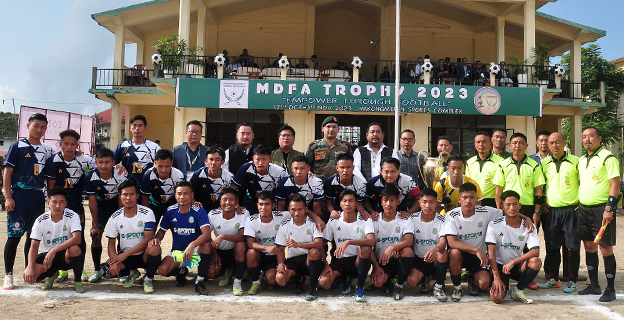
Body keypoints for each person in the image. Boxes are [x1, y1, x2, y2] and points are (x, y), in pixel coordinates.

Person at [444, 183, 531, 301]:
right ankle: (457, 287)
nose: (468, 201)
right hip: (462, 254)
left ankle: (471, 279)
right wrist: (476, 249)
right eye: (465, 197)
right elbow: (452, 243)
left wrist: (526, 218)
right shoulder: (452, 215)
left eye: (472, 197)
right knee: (454, 252)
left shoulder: (486, 212)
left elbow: (508, 211)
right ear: (459, 199)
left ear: (477, 199)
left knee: (484, 284)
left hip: (479, 258)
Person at [3, 113, 53, 289]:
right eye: (36, 126)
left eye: (43, 127)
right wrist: (8, 197)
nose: (39, 130)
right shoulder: (17, 147)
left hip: (37, 197)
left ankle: (29, 270)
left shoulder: (47, 150)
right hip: (19, 196)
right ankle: (8, 274)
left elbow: (54, 169)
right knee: (14, 237)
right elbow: (7, 173)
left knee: (33, 238)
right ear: (28, 126)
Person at [45, 129, 95, 282]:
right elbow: (51, 186)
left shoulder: (85, 160)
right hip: (60, 205)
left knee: (78, 238)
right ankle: (61, 270)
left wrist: (119, 167)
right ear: (60, 144)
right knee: (58, 236)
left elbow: (102, 167)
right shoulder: (53, 161)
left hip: (76, 205)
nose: (69, 147)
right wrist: (53, 205)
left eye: (73, 144)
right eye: (66, 144)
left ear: (77, 146)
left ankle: (80, 267)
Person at [576, 126, 620, 302]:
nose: (587, 139)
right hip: (584, 208)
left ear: (599, 138)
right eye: (584, 137)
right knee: (589, 247)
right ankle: (594, 285)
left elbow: (615, 184)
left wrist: (609, 209)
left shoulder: (607, 157)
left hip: (602, 209)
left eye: (591, 136)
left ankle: (610, 289)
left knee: (605, 248)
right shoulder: (581, 160)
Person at [149, 181, 213, 295]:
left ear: (192, 195)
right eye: (179, 194)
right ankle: (181, 271)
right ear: (175, 195)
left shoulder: (199, 210)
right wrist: (157, 239)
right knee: (163, 270)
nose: (182, 197)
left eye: (185, 193)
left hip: (195, 251)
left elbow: (207, 234)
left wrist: (192, 244)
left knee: (207, 246)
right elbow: (162, 231)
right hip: (178, 253)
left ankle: (199, 281)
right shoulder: (170, 211)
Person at [538, 132, 581, 293]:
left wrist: (581, 203)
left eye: (557, 142)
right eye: (551, 143)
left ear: (564, 143)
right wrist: (542, 203)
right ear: (547, 145)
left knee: (572, 247)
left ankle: (572, 280)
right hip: (552, 211)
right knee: (552, 246)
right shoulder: (544, 163)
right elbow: (540, 186)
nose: (554, 145)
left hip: (571, 210)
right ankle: (554, 279)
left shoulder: (576, 161)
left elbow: (584, 182)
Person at [23, 187, 84, 293]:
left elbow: (77, 239)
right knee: (30, 276)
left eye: (61, 202)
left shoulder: (72, 215)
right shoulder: (40, 220)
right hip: (48, 258)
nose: (57, 206)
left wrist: (54, 250)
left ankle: (78, 281)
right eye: (54, 202)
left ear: (66, 203)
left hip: (65, 255)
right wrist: (29, 266)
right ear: (48, 203)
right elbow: (34, 246)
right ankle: (51, 274)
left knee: (75, 249)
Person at [319, 190, 375, 302]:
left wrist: (349, 242)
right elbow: (322, 245)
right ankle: (346, 280)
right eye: (344, 201)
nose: (347, 204)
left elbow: (371, 242)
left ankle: (360, 287)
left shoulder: (365, 219)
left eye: (351, 201)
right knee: (324, 283)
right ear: (340, 204)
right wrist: (325, 265)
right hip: (340, 261)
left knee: (365, 248)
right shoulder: (334, 220)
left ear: (356, 203)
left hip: (357, 261)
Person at [487, 190, 541, 304]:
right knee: (497, 299)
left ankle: (517, 290)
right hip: (499, 266)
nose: (512, 207)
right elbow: (491, 254)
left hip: (516, 266)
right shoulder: (494, 225)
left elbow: (535, 251)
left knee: (536, 262)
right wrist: (496, 278)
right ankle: (498, 283)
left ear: (520, 206)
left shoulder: (529, 226)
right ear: (502, 207)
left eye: (515, 204)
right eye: (508, 205)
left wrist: (513, 262)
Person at [105, 180, 159, 293]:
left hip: (144, 255)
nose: (128, 198)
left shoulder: (147, 213)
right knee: (110, 269)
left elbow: (148, 238)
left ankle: (148, 279)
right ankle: (132, 273)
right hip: (127, 257)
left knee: (154, 248)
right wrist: (113, 262)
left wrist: (125, 255)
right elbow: (111, 243)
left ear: (137, 196)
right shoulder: (115, 217)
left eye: (132, 194)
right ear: (120, 196)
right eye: (125, 194)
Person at [83, 148, 128, 283]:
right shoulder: (90, 177)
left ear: (113, 162)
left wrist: (120, 220)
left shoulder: (120, 174)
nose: (103, 165)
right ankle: (97, 270)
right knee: (96, 236)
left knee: (121, 236)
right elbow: (92, 203)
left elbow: (122, 199)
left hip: (116, 206)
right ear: (96, 162)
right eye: (100, 162)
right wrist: (96, 225)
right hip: (100, 207)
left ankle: (122, 271)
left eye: (107, 162)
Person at [275, 194, 324, 301]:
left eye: (300, 209)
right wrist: (281, 263)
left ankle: (312, 288)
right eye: (293, 209)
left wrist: (297, 244)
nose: (296, 213)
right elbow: (280, 249)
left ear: (306, 209)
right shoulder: (284, 225)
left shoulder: (314, 224)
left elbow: (319, 244)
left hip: (310, 259)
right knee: (280, 279)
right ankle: (298, 279)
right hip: (294, 259)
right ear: (289, 210)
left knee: (314, 252)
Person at [369, 186, 414, 300]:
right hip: (382, 260)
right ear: (381, 202)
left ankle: (399, 286)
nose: (389, 203)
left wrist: (392, 248)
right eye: (385, 200)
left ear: (398, 202)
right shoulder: (374, 219)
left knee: (408, 251)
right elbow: (369, 245)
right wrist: (375, 266)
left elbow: (409, 240)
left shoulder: (404, 218)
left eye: (392, 200)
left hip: (398, 258)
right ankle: (387, 281)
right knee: (378, 283)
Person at [244, 191, 291, 295]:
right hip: (259, 255)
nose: (263, 207)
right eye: (261, 204)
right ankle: (256, 282)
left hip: (275, 256)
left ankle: (266, 277)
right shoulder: (251, 220)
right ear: (257, 205)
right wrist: (266, 248)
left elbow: (301, 212)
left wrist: (317, 220)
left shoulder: (282, 216)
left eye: (267, 204)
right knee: (251, 252)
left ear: (273, 205)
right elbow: (250, 243)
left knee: (272, 280)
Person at [494, 132, 545, 226]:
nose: (517, 146)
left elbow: (538, 191)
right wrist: (499, 209)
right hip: (509, 206)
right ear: (510, 145)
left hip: (528, 206)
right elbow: (498, 190)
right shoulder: (503, 165)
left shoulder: (534, 165)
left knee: (528, 236)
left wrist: (537, 211)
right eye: (515, 143)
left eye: (521, 143)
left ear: (526, 146)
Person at [406, 188, 448, 302]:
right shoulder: (412, 219)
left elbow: (443, 242)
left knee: (443, 253)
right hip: (420, 259)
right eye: (424, 202)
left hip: (435, 258)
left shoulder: (442, 220)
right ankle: (425, 277)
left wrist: (435, 250)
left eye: (431, 202)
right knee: (411, 282)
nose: (427, 205)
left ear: (436, 204)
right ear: (419, 203)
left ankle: (438, 286)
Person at [206, 188, 249, 296]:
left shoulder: (243, 213)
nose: (228, 203)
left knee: (240, 245)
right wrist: (214, 253)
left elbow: (243, 237)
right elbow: (206, 235)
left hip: (236, 252)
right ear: (220, 202)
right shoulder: (213, 214)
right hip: (220, 252)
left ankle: (237, 281)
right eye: (224, 200)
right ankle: (228, 271)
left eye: (231, 200)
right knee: (211, 273)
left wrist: (223, 236)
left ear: (236, 202)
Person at [231, 145, 287, 215]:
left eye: (264, 159)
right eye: (258, 159)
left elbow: (285, 193)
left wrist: (279, 214)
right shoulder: (245, 168)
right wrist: (236, 205)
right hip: (249, 205)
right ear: (253, 158)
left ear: (270, 159)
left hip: (271, 206)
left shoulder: (280, 172)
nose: (260, 163)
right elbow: (233, 188)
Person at [113, 114, 161, 189]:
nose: (137, 128)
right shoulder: (122, 146)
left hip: (147, 188)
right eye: (134, 125)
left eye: (140, 125)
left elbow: (162, 165)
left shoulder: (154, 147)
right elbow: (110, 163)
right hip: (127, 188)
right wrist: (117, 166)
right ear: (130, 128)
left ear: (145, 128)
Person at [140, 149, 185, 225]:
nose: (163, 170)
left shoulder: (178, 175)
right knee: (149, 229)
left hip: (172, 205)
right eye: (160, 166)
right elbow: (145, 199)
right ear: (155, 163)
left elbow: (182, 196)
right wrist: (148, 216)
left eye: (167, 166)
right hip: (154, 205)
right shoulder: (148, 175)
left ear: (171, 163)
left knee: (178, 229)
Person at [306, 116, 351, 183]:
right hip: (318, 184)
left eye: (334, 127)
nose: (331, 129)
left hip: (338, 184)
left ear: (338, 129)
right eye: (328, 126)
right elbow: (306, 166)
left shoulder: (345, 147)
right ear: (322, 129)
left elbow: (350, 166)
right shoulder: (314, 147)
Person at [465, 131, 503, 208]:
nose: (481, 144)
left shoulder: (501, 162)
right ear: (475, 145)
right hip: (474, 201)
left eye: (484, 142)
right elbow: (467, 182)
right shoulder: (470, 162)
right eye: (478, 142)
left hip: (492, 202)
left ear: (490, 144)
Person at [324, 153, 368, 219]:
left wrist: (363, 212)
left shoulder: (361, 184)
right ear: (337, 168)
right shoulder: (330, 182)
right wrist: (333, 212)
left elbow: (359, 204)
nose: (345, 170)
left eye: (348, 167)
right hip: (337, 213)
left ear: (353, 168)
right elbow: (328, 202)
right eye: (342, 167)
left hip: (354, 213)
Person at [190, 147, 233, 212]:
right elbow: (190, 192)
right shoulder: (198, 175)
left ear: (223, 162)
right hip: (201, 208)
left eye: (217, 159)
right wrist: (194, 202)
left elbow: (232, 195)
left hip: (221, 209)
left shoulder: (229, 177)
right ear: (206, 161)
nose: (214, 162)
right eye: (211, 159)